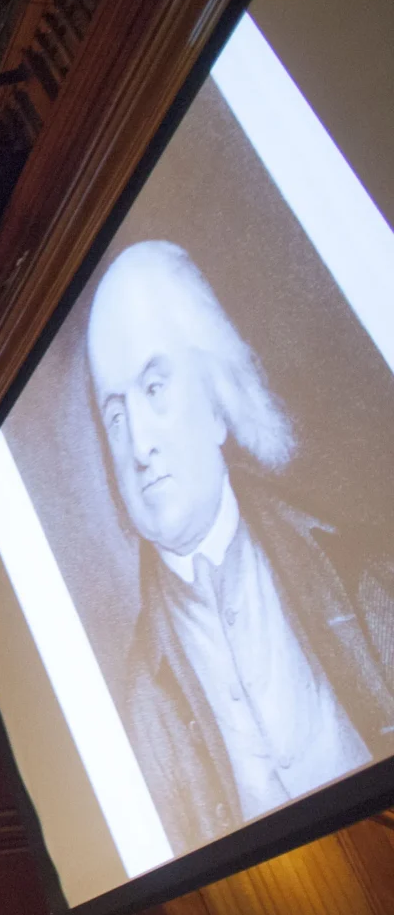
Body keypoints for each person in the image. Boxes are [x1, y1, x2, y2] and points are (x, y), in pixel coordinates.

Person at [83, 238, 394, 845]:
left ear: (217, 402)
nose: (140, 445)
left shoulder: (356, 570)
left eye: (155, 388)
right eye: (116, 416)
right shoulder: (141, 694)